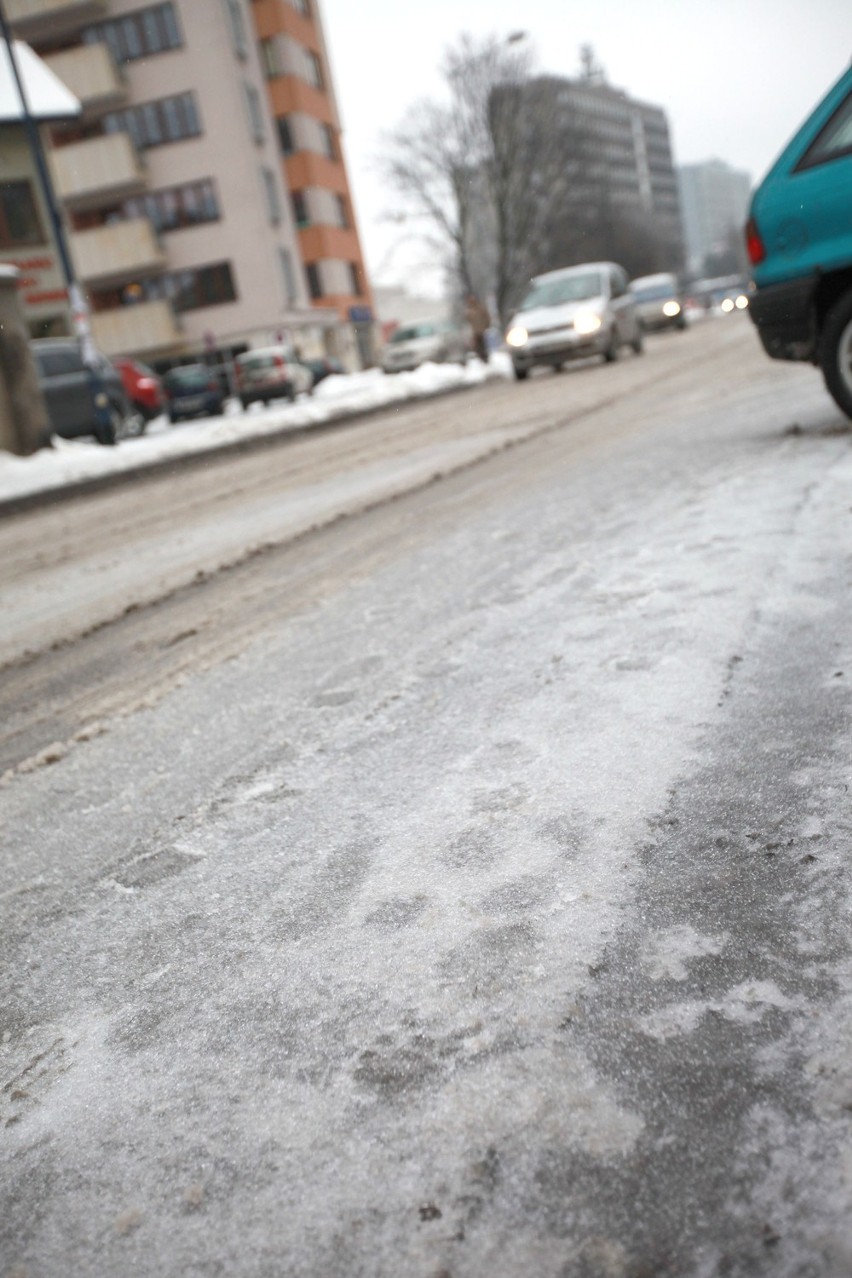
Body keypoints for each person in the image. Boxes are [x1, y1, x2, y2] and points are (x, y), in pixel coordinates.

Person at [465, 294, 491, 363]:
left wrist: (487, 326)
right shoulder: (470, 311)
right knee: (478, 346)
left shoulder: (480, 309)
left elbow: (487, 318)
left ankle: (485, 358)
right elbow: (468, 321)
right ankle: (481, 358)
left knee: (483, 345)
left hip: (482, 331)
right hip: (475, 332)